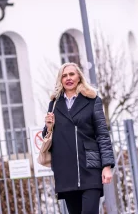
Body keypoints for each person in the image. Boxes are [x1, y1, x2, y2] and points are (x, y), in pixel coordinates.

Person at [43, 62, 115, 214]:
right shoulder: (54, 104)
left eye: (71, 74)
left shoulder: (92, 100)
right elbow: (47, 138)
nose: (68, 78)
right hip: (66, 171)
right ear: (60, 80)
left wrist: (107, 166)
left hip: (90, 168)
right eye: (64, 75)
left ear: (79, 77)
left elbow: (102, 134)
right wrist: (49, 126)